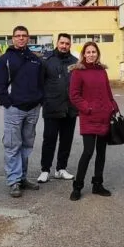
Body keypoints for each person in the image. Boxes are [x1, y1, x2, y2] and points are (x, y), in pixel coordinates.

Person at [0, 26, 45, 198]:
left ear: (28, 38)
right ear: (12, 38)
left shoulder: (35, 59)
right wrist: (8, 102)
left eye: (24, 35)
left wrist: (40, 100)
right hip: (14, 109)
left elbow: (41, 82)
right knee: (12, 145)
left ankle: (22, 178)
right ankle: (13, 181)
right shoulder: (5, 59)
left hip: (33, 109)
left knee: (27, 145)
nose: (21, 38)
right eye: (18, 36)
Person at [68, 42, 118, 201]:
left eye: (93, 52)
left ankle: (97, 184)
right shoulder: (78, 72)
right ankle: (77, 186)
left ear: (97, 54)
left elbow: (108, 93)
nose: (91, 55)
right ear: (84, 54)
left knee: (101, 152)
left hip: (104, 116)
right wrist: (88, 108)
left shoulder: (102, 71)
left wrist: (113, 108)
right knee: (88, 152)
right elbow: (74, 95)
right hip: (89, 117)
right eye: (88, 52)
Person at [38, 33, 78, 184]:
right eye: (62, 43)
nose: (64, 46)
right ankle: (45, 170)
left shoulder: (75, 62)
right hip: (52, 107)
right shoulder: (47, 60)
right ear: (57, 43)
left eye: (67, 43)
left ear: (70, 45)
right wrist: (44, 101)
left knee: (66, 140)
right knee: (49, 140)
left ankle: (61, 169)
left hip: (70, 108)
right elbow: (40, 83)